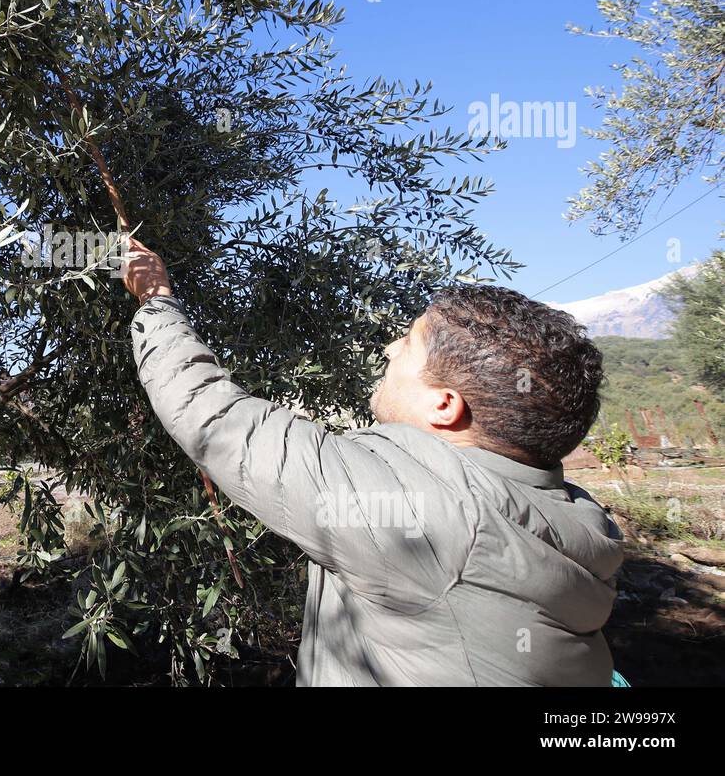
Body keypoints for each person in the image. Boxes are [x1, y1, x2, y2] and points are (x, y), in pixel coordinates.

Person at [121, 237, 624, 686]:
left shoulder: (428, 515)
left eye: (406, 343)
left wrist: (156, 300)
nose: (388, 348)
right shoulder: (574, 516)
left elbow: (215, 419)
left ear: (444, 404)